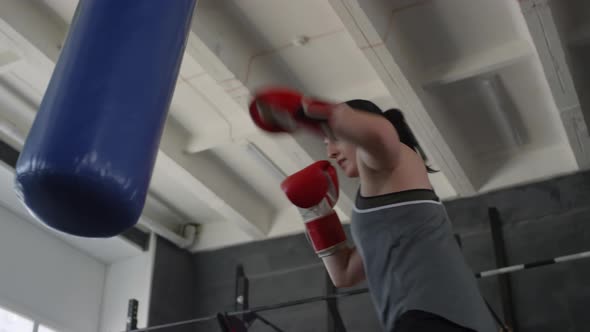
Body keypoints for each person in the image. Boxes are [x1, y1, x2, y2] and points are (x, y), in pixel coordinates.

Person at [250, 90, 497, 332]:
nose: (330, 153)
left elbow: (378, 134)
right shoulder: (379, 197)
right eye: (327, 143)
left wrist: (309, 112)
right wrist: (318, 216)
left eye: (334, 139)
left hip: (436, 317)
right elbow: (344, 275)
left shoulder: (396, 158)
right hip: (430, 319)